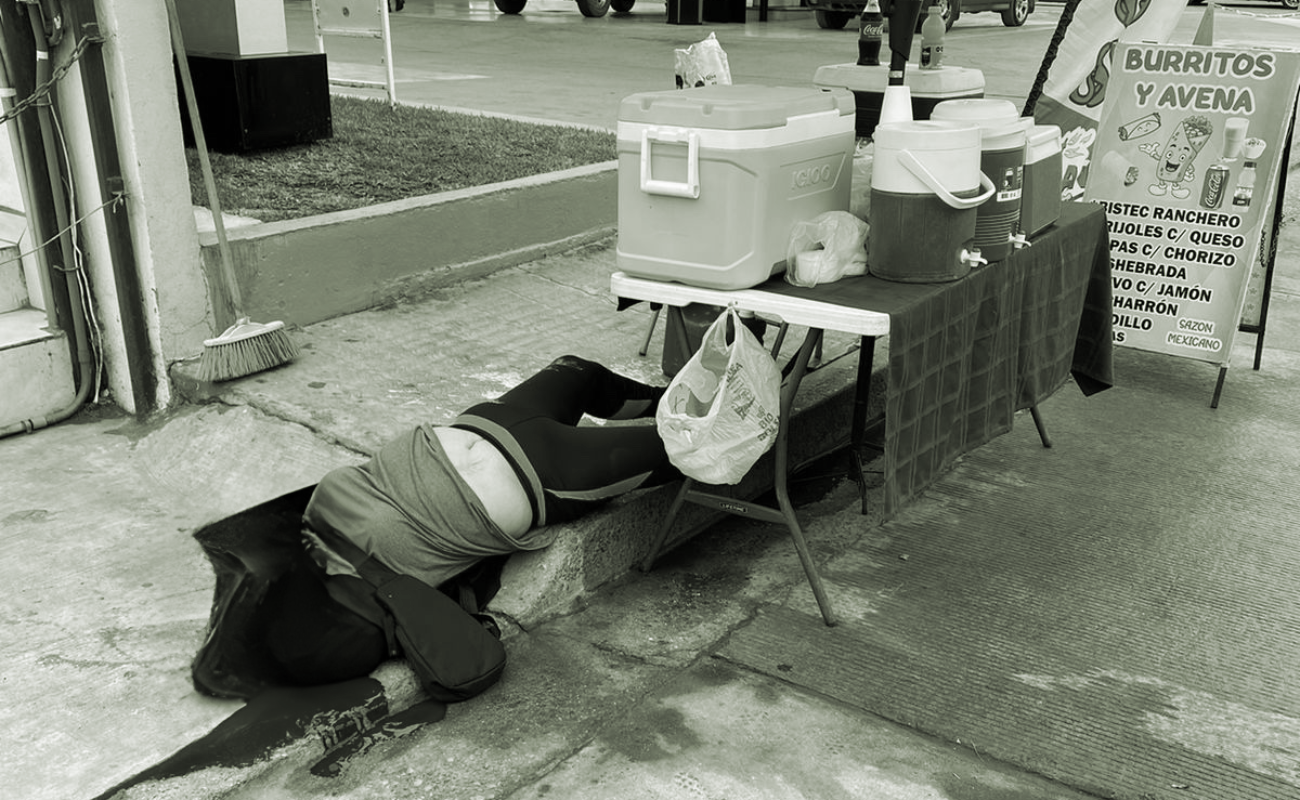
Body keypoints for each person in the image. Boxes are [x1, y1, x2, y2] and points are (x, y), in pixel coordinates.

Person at [193, 356, 677, 696]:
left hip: (486, 424)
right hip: (543, 476)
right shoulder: (362, 613)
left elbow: (243, 555)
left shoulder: (304, 524)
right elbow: (452, 656)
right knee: (686, 445)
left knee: (581, 371)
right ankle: (714, 420)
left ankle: (676, 400)